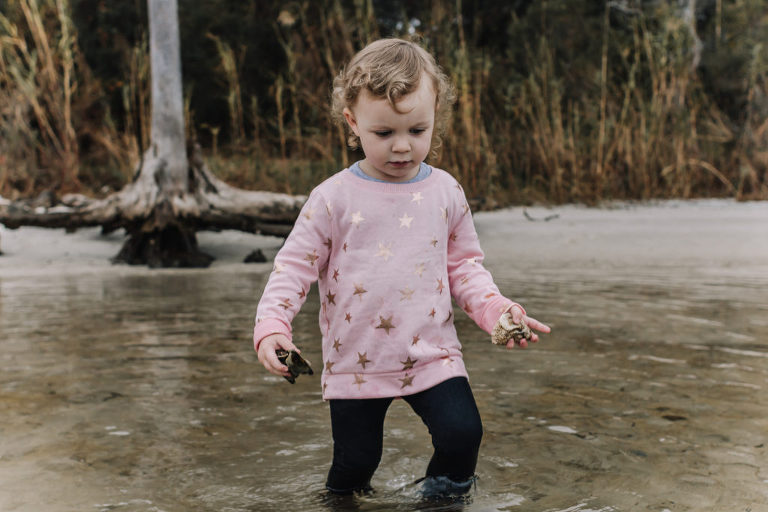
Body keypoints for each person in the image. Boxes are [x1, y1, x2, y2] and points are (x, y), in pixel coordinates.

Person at [253, 38, 550, 499]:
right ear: (353, 123)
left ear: (436, 118)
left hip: (432, 352)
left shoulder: (446, 192)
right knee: (355, 463)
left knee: (462, 434)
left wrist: (497, 310)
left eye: (417, 130)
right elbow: (293, 268)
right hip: (357, 358)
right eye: (384, 133)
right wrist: (273, 326)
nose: (402, 147)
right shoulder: (333, 197)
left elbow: (465, 268)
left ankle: (440, 499)